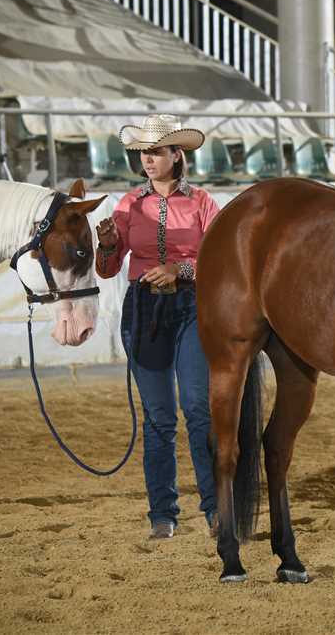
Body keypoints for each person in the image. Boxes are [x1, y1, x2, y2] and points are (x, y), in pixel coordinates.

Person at [96, 115, 221, 540]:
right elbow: (108, 268)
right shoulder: (128, 204)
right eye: (143, 153)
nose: (147, 160)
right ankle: (162, 513)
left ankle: (215, 507)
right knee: (159, 417)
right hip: (143, 310)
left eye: (155, 152)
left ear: (176, 155)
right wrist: (108, 245)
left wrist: (179, 270)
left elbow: (222, 262)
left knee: (198, 409)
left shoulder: (203, 202)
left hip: (193, 308)